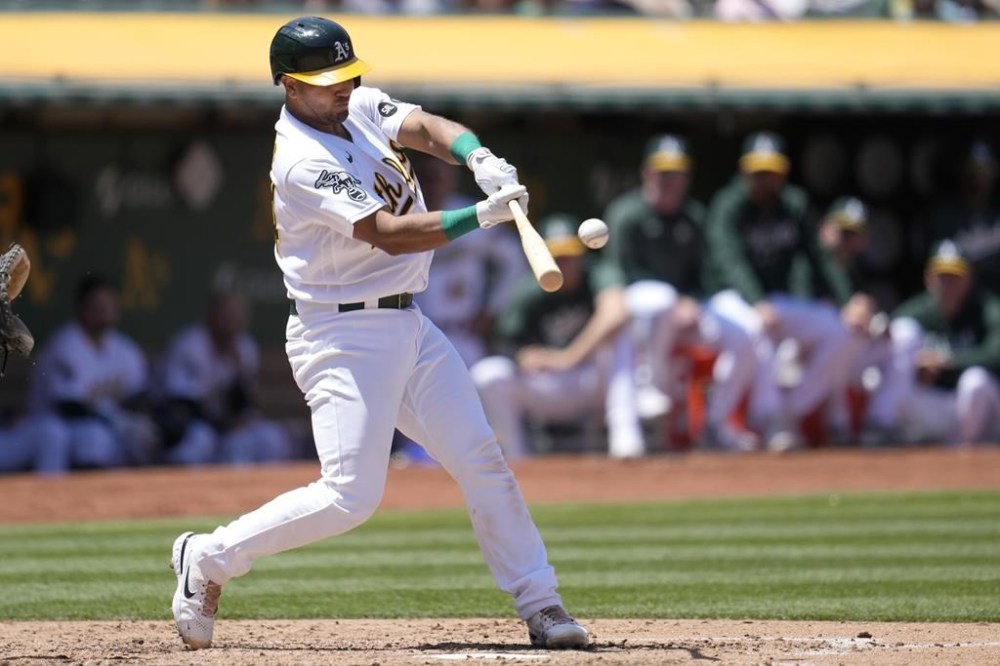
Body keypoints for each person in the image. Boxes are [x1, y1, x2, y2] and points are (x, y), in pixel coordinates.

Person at [169, 16, 589, 652]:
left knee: (482, 459)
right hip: (342, 336)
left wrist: (477, 155)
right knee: (349, 497)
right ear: (289, 86)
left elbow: (423, 127)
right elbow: (385, 234)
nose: (344, 88)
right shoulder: (301, 162)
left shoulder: (356, 104)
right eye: (326, 81)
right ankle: (208, 557)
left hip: (407, 323)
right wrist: (481, 214)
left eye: (348, 74)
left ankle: (542, 604)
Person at [604, 134, 758, 452]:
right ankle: (650, 388)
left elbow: (705, 274)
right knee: (660, 299)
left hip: (684, 312)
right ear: (647, 173)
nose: (670, 181)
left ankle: (718, 422)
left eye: (677, 173)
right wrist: (676, 300)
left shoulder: (694, 216)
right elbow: (620, 272)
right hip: (640, 314)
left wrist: (691, 300)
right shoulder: (627, 214)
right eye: (663, 172)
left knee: (745, 332)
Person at [705, 131, 851, 450]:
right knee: (757, 328)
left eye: (770, 172)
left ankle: (785, 414)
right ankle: (726, 422)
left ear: (783, 173)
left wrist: (846, 301)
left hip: (776, 300)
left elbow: (820, 258)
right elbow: (732, 263)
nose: (764, 179)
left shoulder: (793, 204)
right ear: (744, 172)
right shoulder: (729, 206)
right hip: (730, 299)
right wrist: (757, 302)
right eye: (757, 172)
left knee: (840, 331)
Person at [471, 214, 644, 459]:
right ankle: (517, 458)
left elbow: (617, 312)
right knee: (488, 374)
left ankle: (625, 441)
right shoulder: (529, 289)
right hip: (548, 385)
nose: (564, 263)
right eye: (557, 256)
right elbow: (502, 340)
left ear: (581, 255)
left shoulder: (597, 274)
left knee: (620, 339)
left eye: (570, 255)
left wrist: (569, 357)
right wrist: (521, 356)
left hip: (590, 379)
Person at [22, 275, 158, 474]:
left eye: (110, 303)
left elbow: (138, 395)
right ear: (81, 308)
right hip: (59, 424)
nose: (105, 310)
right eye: (97, 304)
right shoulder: (65, 345)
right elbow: (69, 406)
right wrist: (117, 422)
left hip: (108, 425)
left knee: (140, 434)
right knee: (94, 437)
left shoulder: (126, 349)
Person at [413, 154, 527, 368]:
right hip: (415, 333)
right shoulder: (404, 217)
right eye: (426, 177)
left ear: (452, 179)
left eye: (439, 177)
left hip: (462, 332)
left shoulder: (471, 213)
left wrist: (492, 310)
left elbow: (514, 261)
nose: (433, 184)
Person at [155, 289, 292, 466]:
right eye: (227, 314)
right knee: (198, 443)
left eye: (237, 315)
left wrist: (238, 375)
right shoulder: (190, 346)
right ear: (211, 315)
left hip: (224, 424)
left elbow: (244, 402)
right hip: (188, 425)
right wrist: (226, 424)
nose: (232, 321)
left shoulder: (244, 348)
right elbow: (181, 403)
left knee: (270, 438)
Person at [890, 241, 1000, 445]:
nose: (948, 283)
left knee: (975, 381)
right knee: (884, 385)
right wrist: (916, 366)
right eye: (942, 276)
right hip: (941, 404)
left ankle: (968, 451)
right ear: (928, 278)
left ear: (969, 278)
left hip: (982, 408)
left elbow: (995, 354)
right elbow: (889, 348)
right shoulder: (917, 312)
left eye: (955, 276)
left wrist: (947, 362)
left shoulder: (985, 308)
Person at [922, 140, 1000, 295]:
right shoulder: (944, 216)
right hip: (956, 298)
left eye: (985, 172)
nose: (979, 179)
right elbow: (939, 262)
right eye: (973, 171)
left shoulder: (996, 216)